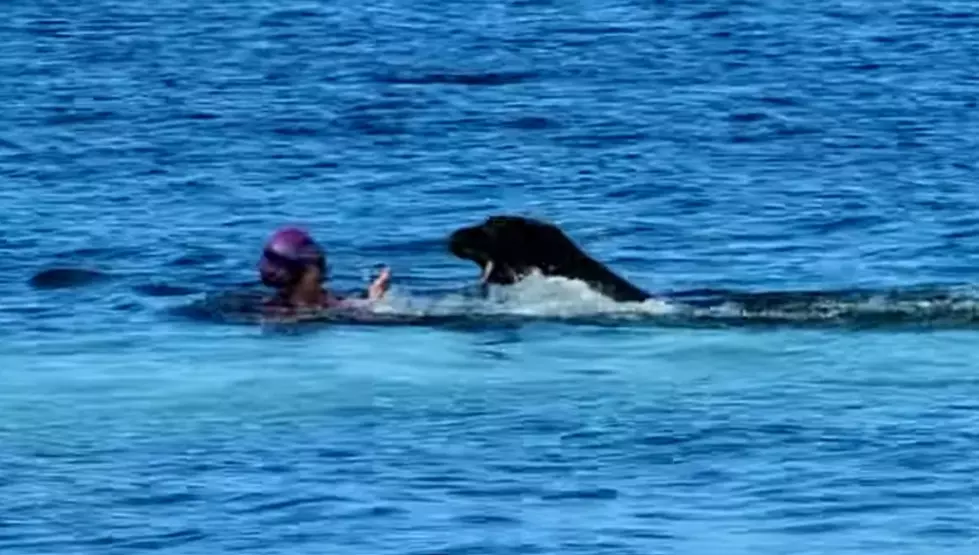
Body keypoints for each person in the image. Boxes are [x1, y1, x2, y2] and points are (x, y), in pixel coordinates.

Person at [257, 226, 390, 315]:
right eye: (318, 267)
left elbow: (343, 305)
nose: (322, 277)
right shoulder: (288, 316)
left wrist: (373, 299)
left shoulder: (324, 300)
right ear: (305, 276)